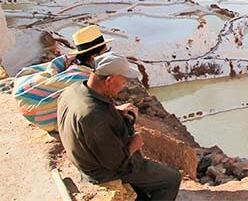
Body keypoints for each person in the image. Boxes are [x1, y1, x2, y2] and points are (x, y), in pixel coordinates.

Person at [57, 52, 181, 200]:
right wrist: (134, 143)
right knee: (171, 179)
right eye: (122, 81)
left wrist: (114, 110)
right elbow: (117, 163)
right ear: (109, 80)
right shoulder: (96, 117)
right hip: (100, 171)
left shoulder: (74, 89)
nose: (124, 86)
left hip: (84, 156)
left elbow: (87, 112)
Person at [13, 25, 112, 133]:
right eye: (105, 52)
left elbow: (55, 68)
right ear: (94, 56)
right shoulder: (84, 78)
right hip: (39, 113)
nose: (107, 55)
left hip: (24, 101)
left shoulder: (72, 62)